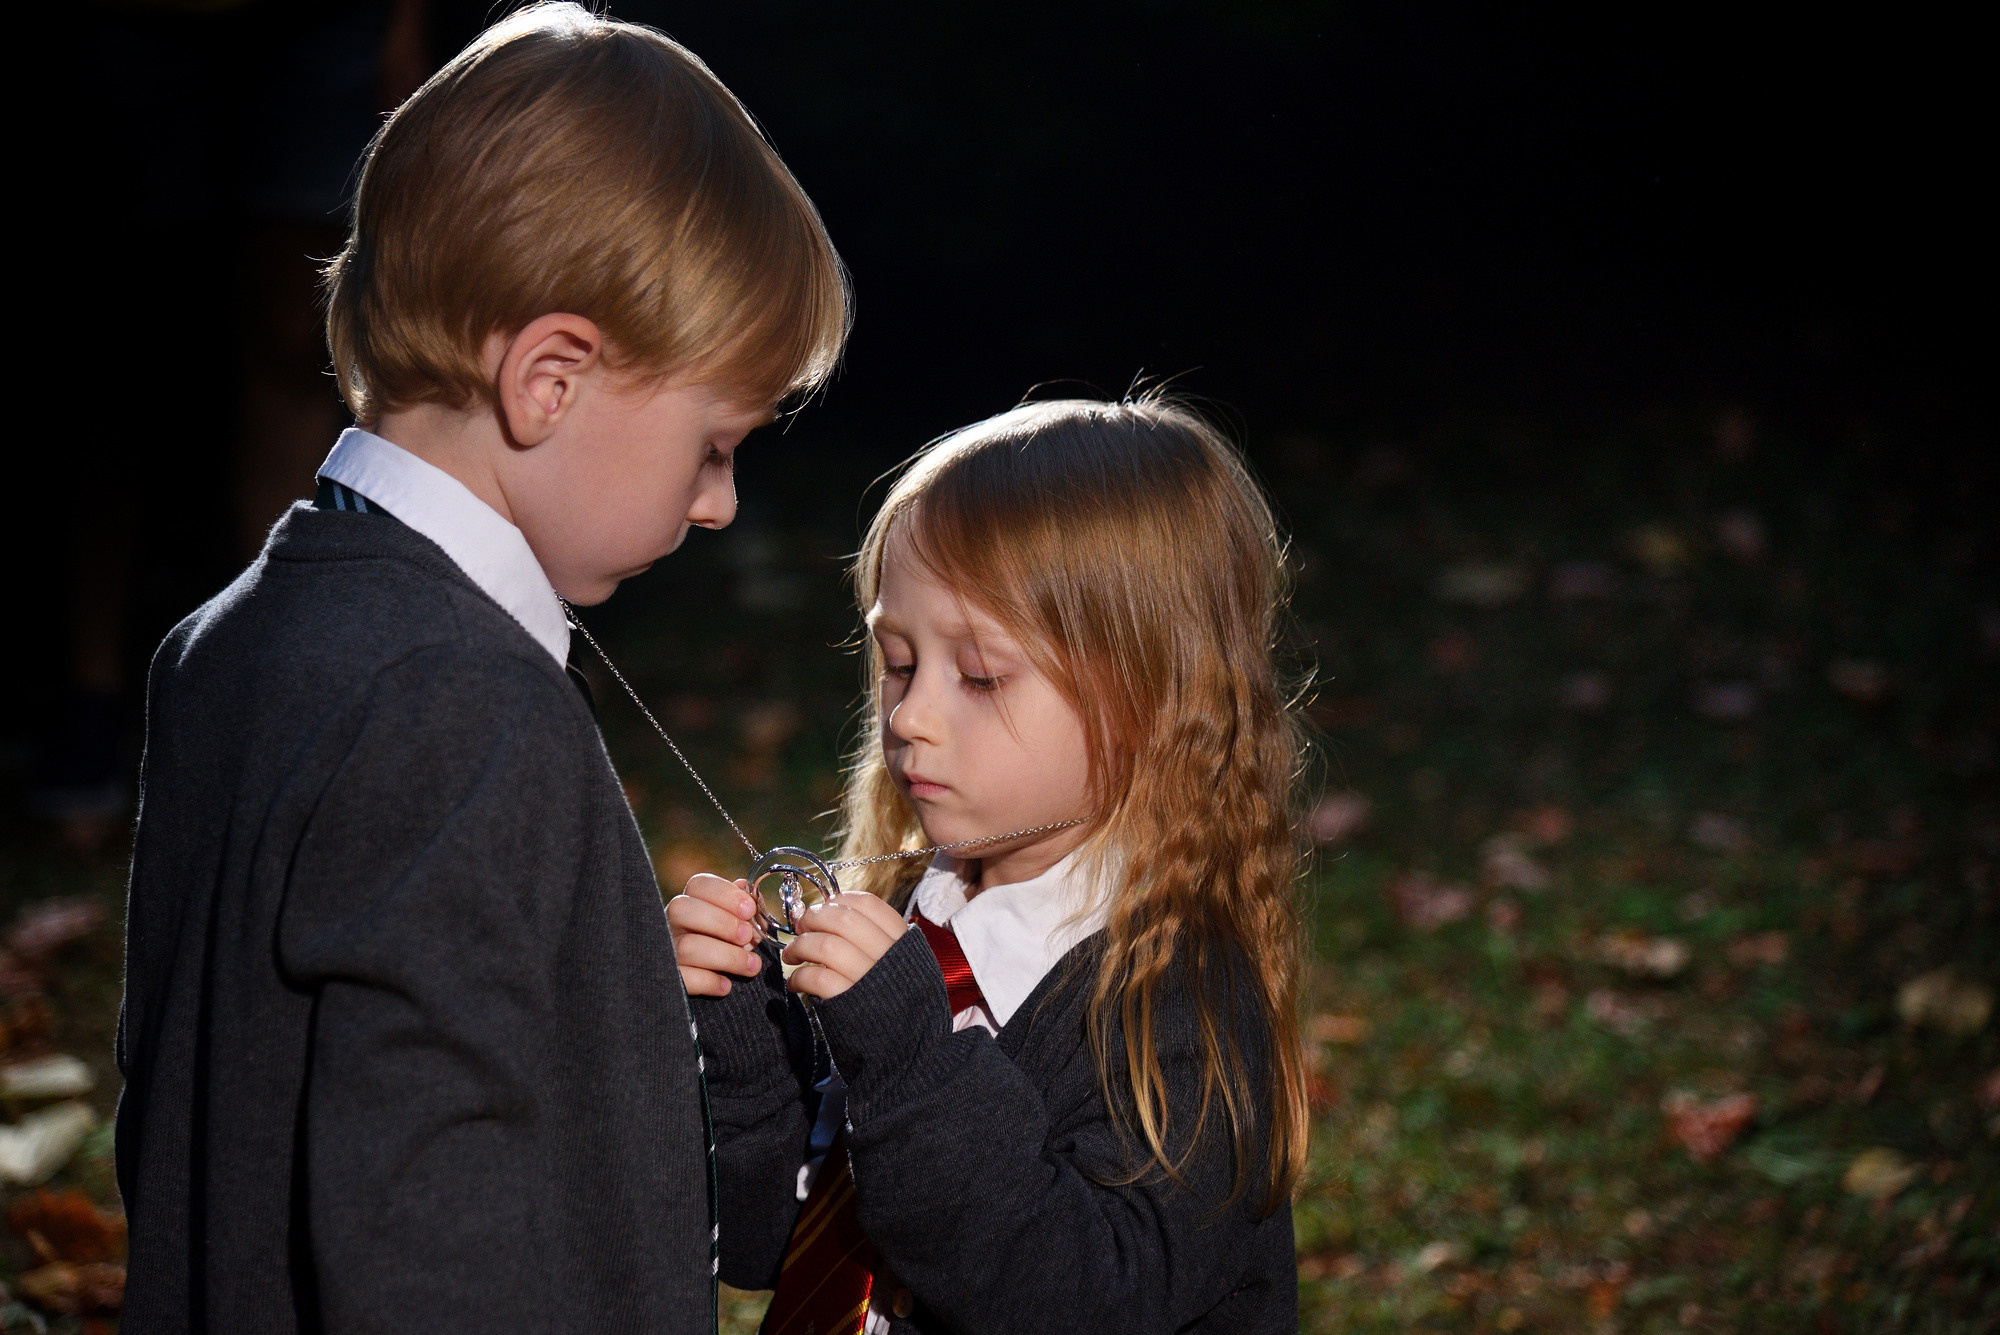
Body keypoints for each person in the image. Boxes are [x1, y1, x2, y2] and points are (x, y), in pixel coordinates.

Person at [115, 5, 849, 1330]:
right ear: (549, 379)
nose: (721, 503)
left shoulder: (226, 639)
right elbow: (423, 1211)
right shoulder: (464, 708)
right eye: (713, 445)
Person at [671, 398, 1309, 1334]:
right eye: (898, 662)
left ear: (1150, 699)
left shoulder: (1180, 1007)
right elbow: (769, 1243)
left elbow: (1076, 1298)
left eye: (978, 675)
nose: (909, 716)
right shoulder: (902, 915)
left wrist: (914, 1064)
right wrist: (746, 1031)